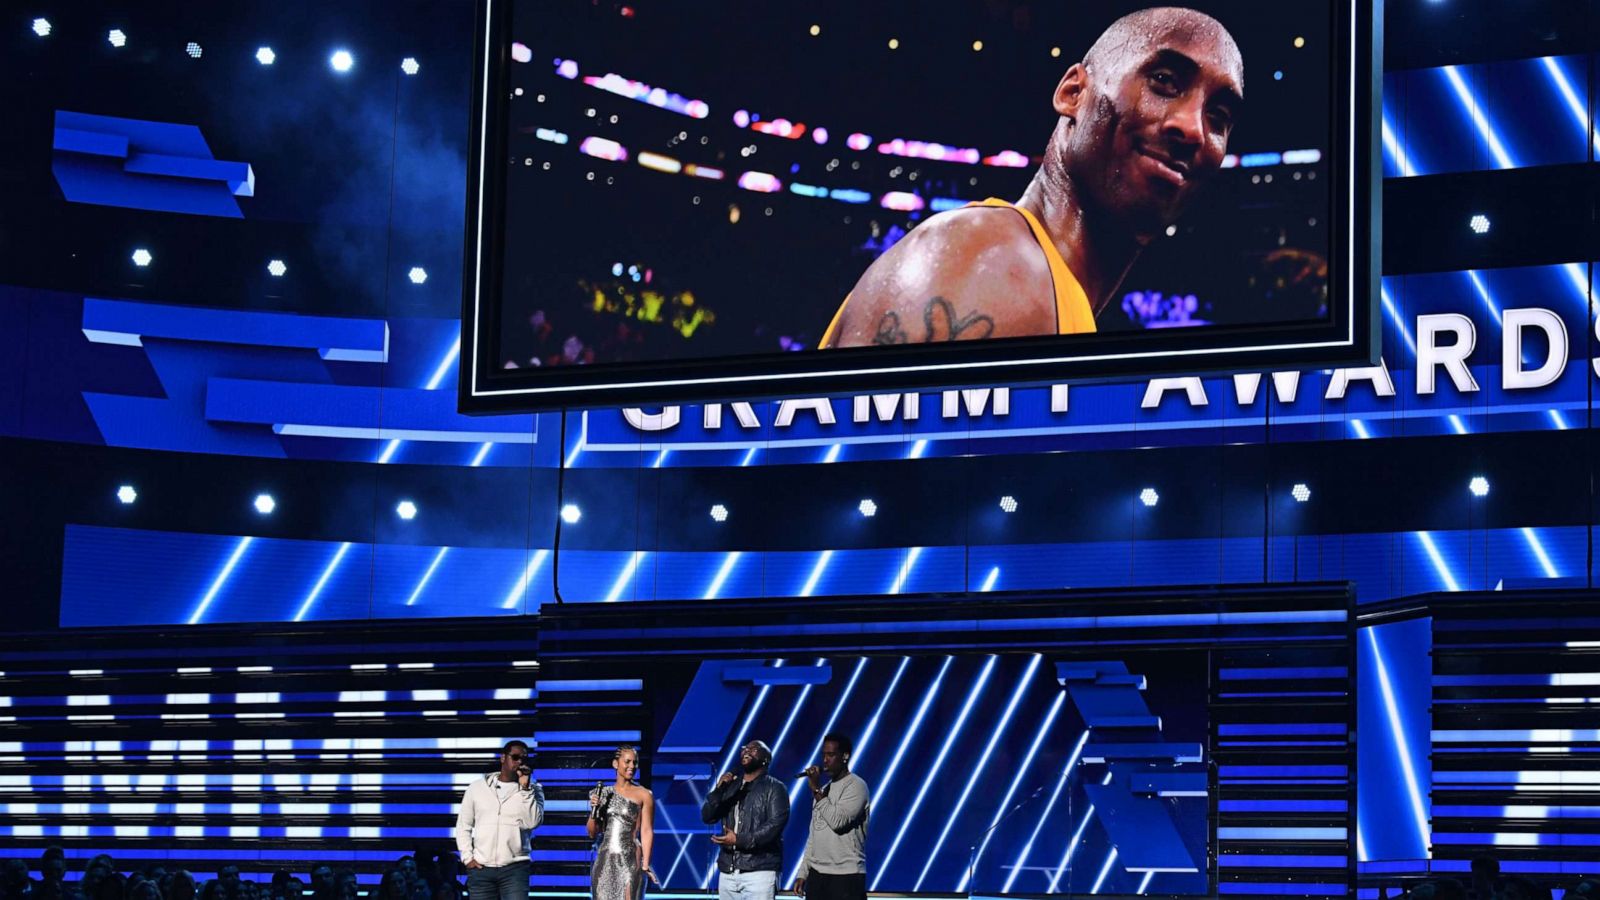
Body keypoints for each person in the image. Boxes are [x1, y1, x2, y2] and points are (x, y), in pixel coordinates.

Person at [821, 6, 1244, 347]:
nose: (1194, 129)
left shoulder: (1049, 292)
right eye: (1164, 81)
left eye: (1219, 116)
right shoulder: (995, 266)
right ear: (1073, 93)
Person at [455, 740, 546, 900]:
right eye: (515, 757)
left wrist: (525, 789)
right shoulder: (477, 788)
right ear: (503, 758)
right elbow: (464, 825)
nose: (520, 762)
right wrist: (467, 858)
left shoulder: (534, 790)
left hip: (515, 869)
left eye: (523, 759)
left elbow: (533, 822)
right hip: (481, 869)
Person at [700, 740, 789, 900]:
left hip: (759, 871)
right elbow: (708, 816)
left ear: (766, 759)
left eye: (754, 749)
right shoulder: (731, 787)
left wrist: (738, 840)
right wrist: (720, 790)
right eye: (745, 748)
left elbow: (774, 827)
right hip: (728, 870)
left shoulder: (775, 788)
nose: (747, 750)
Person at [790, 734, 869, 900]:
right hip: (817, 875)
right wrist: (803, 872)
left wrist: (815, 789)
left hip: (846, 876)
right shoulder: (823, 790)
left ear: (845, 756)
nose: (825, 760)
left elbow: (838, 822)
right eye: (823, 755)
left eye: (831, 755)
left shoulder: (856, 786)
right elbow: (815, 834)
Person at [587, 745, 658, 900]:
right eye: (627, 762)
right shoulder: (602, 793)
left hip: (630, 861)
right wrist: (594, 810)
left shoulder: (644, 795)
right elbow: (592, 833)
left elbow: (646, 831)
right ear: (615, 764)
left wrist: (645, 865)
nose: (632, 766)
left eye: (635, 762)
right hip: (605, 861)